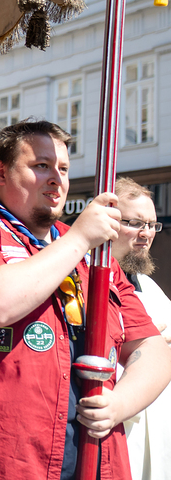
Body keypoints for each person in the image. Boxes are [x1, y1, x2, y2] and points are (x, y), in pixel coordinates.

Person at [0, 120, 171, 480]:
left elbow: (152, 348)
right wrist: (79, 239)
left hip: (89, 457)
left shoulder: (93, 255)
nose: (56, 179)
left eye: (63, 169)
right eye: (41, 165)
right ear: (1, 172)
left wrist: (119, 404)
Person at [110, 177, 171, 480]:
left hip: (157, 427)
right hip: (114, 425)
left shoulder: (150, 287)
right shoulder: (81, 278)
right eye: (135, 223)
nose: (146, 234)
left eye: (152, 225)